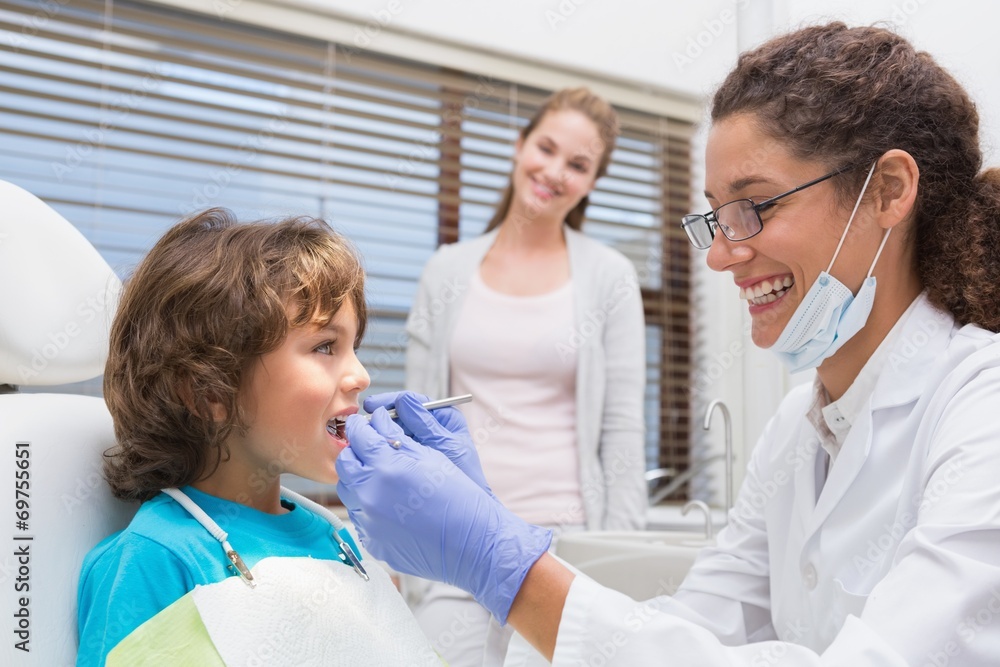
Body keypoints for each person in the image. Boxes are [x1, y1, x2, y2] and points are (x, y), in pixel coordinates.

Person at [336, 22, 1000, 665]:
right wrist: (487, 543)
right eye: (715, 215)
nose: (720, 256)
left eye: (755, 206)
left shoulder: (980, 406)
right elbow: (688, 628)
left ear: (887, 191)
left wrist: (501, 562)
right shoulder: (795, 431)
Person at [76, 209, 447, 666]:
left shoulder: (338, 540)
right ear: (209, 390)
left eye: (355, 347)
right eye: (325, 346)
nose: (361, 376)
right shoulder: (155, 560)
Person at [400, 87, 648, 664]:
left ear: (591, 182)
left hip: (564, 545)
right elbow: (414, 422)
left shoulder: (609, 278)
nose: (555, 171)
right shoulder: (446, 270)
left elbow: (623, 427)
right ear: (519, 147)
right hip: (457, 535)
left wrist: (622, 557)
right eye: (547, 148)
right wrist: (402, 555)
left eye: (579, 165)